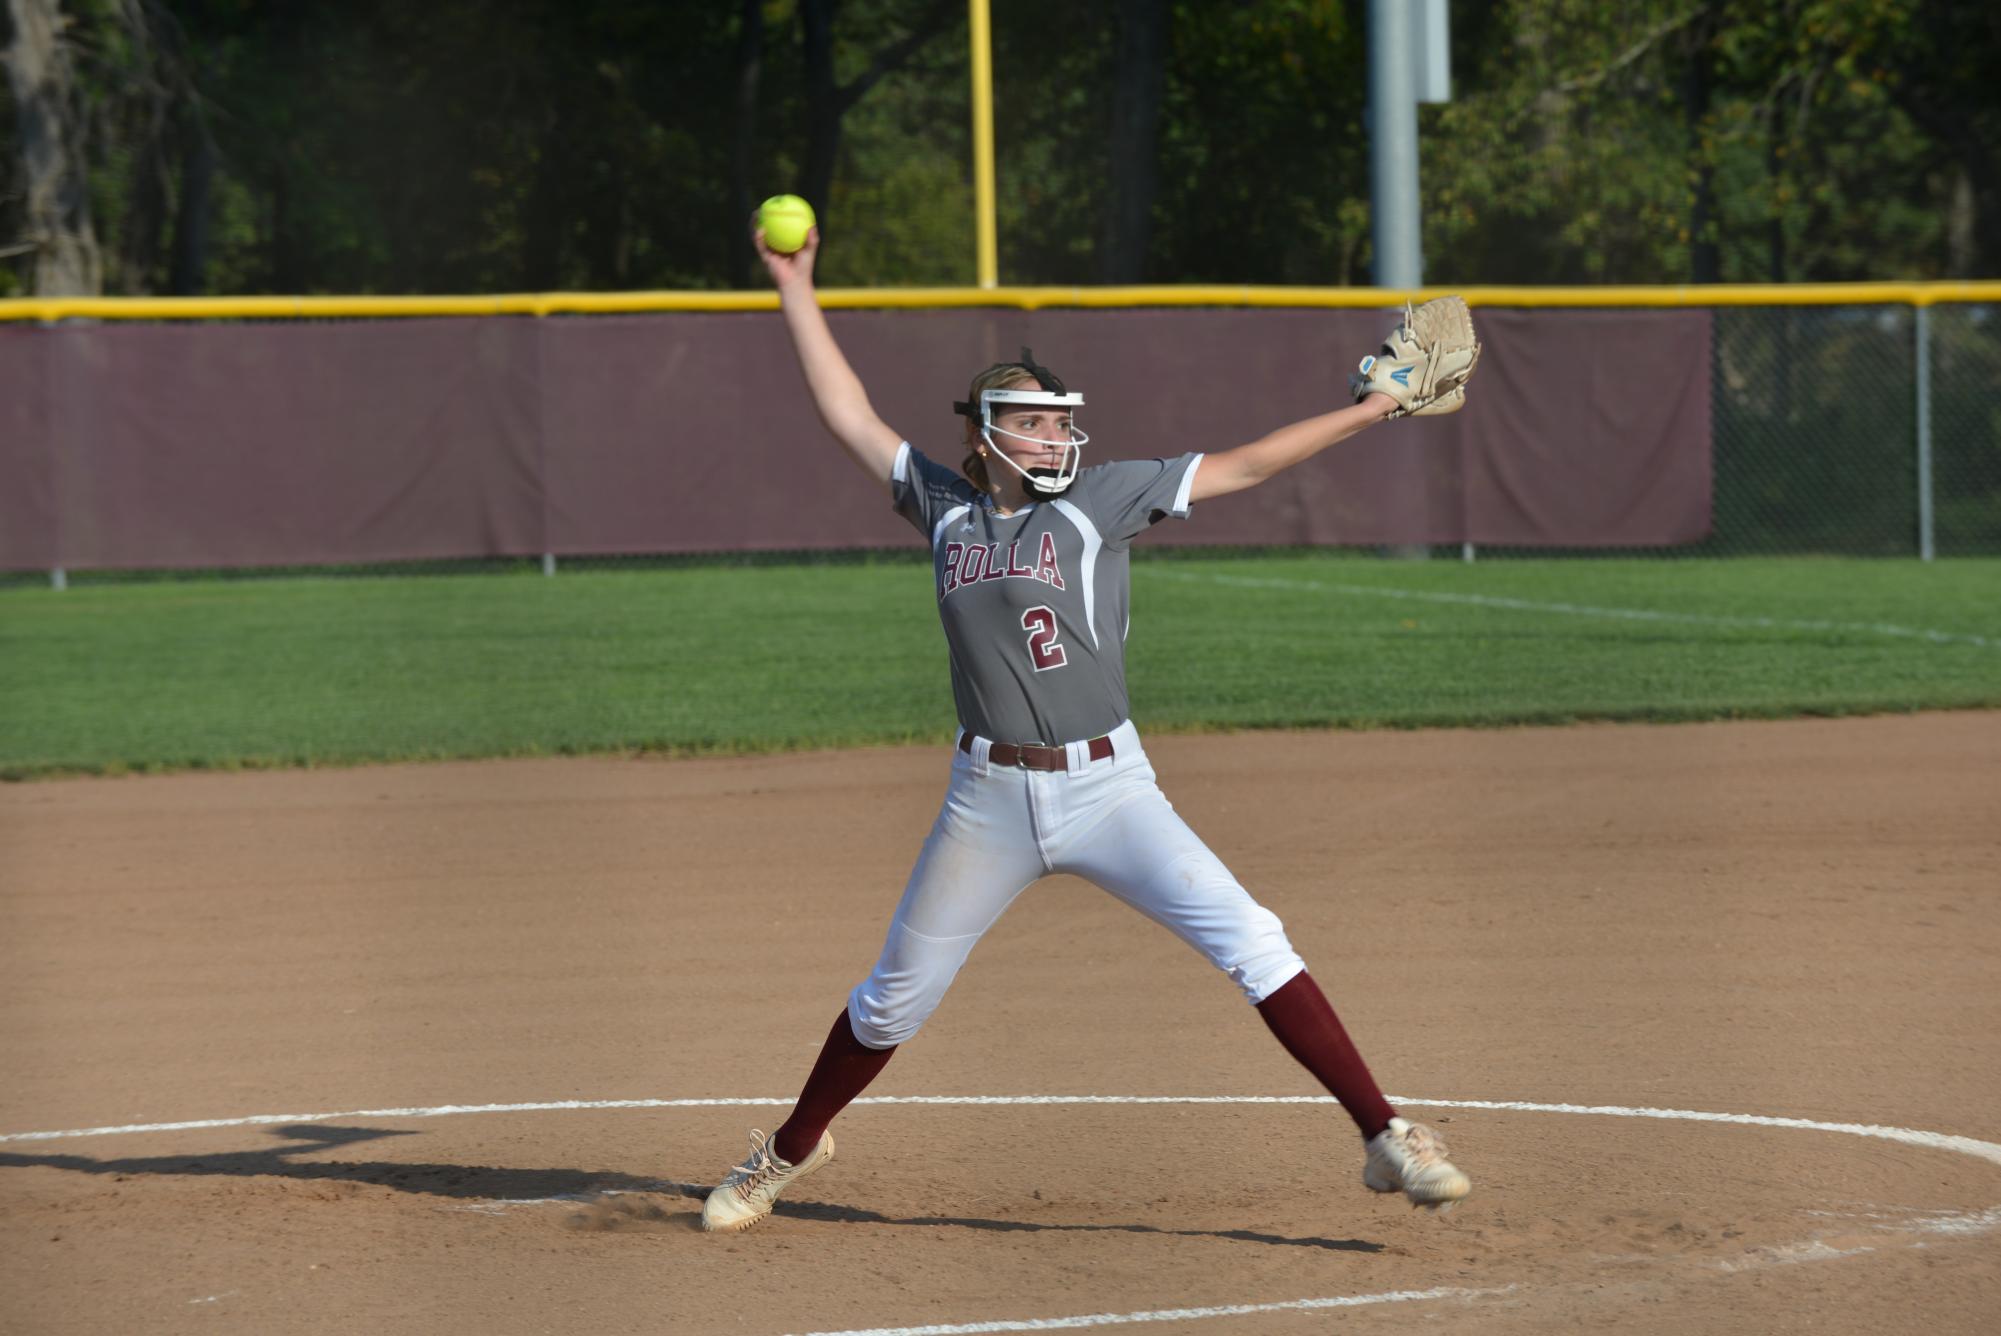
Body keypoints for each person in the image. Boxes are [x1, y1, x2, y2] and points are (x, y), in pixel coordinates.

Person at [701, 220, 1471, 1234]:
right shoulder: (944, 508)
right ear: (985, 436)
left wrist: (1371, 409)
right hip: (986, 799)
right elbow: (844, 411)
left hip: (1111, 789)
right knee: (892, 999)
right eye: (1034, 423)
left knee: (1255, 939)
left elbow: (1246, 465)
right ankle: (788, 1149)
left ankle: (1387, 1136)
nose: (1059, 436)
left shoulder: (1103, 501)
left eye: (1063, 422)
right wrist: (794, 284)